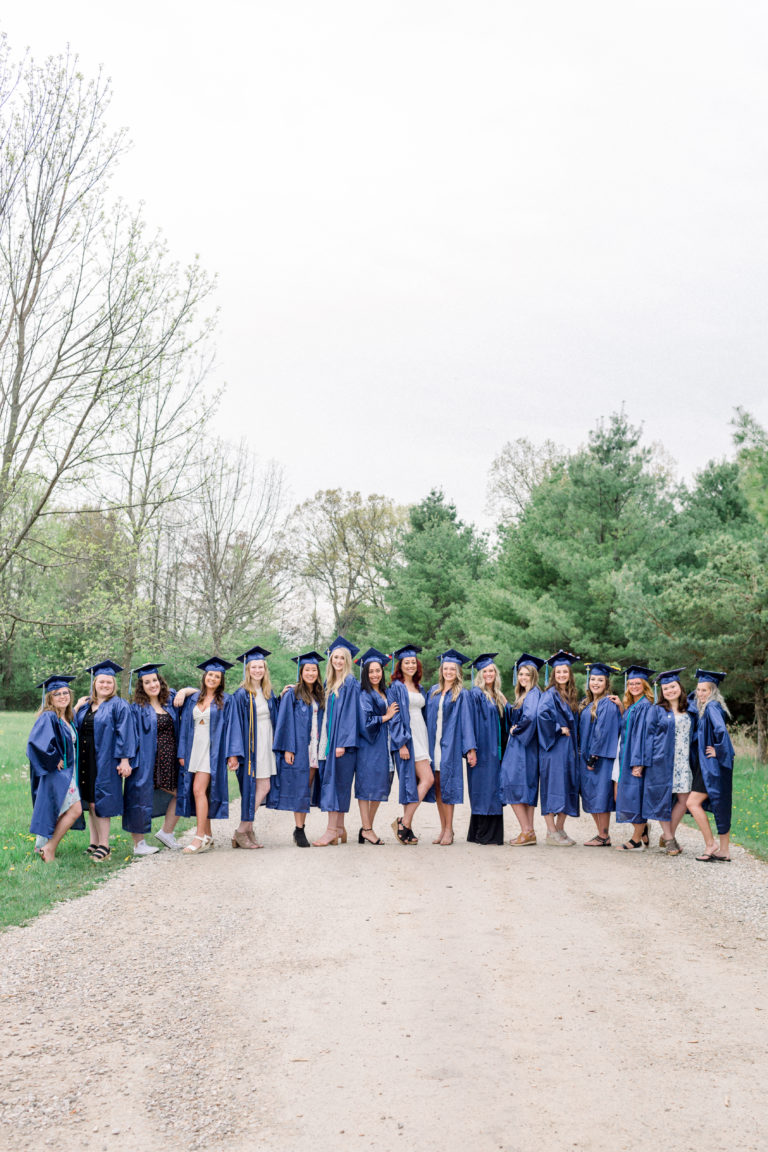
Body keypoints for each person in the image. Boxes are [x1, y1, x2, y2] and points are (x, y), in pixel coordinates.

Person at [73, 660, 136, 863]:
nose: (105, 685)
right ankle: (94, 842)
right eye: (101, 681)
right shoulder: (86, 705)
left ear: (113, 684)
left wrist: (125, 760)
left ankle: (105, 846)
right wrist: (76, 707)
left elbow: (125, 734)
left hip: (106, 758)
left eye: (109, 682)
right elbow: (73, 726)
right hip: (86, 757)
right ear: (95, 683)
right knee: (90, 800)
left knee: (102, 800)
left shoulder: (119, 705)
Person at [176, 657, 233, 855]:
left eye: (217, 676)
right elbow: (184, 727)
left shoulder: (227, 700)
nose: (213, 678)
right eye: (210, 675)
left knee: (198, 790)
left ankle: (198, 837)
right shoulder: (193, 698)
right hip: (193, 750)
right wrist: (182, 751)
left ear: (221, 680)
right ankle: (208, 836)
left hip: (212, 751)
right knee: (202, 793)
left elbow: (231, 728)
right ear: (205, 676)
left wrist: (232, 755)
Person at [270, 651, 325, 846]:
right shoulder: (292, 694)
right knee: (301, 787)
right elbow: (285, 722)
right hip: (301, 747)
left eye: (314, 670)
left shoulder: (320, 693)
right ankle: (299, 829)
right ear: (301, 672)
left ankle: (301, 828)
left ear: (318, 673)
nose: (311, 673)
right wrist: (288, 749)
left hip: (317, 748)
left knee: (307, 786)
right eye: (307, 670)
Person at [226, 646, 279, 850]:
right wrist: (233, 754)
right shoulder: (241, 695)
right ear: (247, 670)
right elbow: (234, 725)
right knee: (253, 789)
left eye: (261, 667)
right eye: (254, 667)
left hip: (266, 743)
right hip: (250, 747)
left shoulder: (267, 692)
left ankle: (246, 830)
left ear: (265, 670)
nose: (257, 670)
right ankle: (241, 831)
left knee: (263, 787)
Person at [27, 675, 83, 862]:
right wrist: (53, 758)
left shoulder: (67, 717)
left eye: (65, 692)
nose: (62, 696)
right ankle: (49, 849)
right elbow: (36, 742)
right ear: (50, 698)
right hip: (58, 772)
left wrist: (78, 707)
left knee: (56, 809)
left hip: (68, 772)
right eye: (57, 694)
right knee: (75, 810)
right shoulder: (49, 716)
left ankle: (41, 847)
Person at [426, 649, 477, 846]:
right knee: (438, 786)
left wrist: (470, 749)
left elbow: (466, 722)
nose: (449, 672)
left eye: (452, 669)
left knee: (448, 787)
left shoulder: (462, 694)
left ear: (457, 672)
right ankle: (444, 828)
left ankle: (449, 830)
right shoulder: (433, 691)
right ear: (441, 670)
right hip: (434, 745)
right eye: (446, 668)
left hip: (451, 746)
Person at [128, 663, 181, 853]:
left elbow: (196, 695)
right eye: (147, 682)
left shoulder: (170, 701)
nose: (152, 685)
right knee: (139, 797)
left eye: (155, 680)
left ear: (160, 681)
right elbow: (129, 736)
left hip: (169, 759)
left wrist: (186, 691)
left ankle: (167, 832)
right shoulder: (136, 709)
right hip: (146, 760)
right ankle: (139, 844)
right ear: (141, 686)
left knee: (182, 793)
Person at [645, 668, 697, 857]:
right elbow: (648, 737)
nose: (669, 691)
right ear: (662, 692)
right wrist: (643, 762)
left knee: (684, 800)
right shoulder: (657, 710)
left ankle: (668, 834)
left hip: (683, 762)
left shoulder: (690, 710)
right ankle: (669, 840)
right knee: (662, 800)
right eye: (666, 688)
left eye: (673, 687)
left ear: (680, 688)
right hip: (661, 762)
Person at [314, 635, 360, 847]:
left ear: (347, 661)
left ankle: (331, 830)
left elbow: (351, 715)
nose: (338, 661)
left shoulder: (350, 682)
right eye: (335, 657)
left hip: (340, 743)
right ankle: (340, 828)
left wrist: (342, 742)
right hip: (327, 738)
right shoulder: (330, 682)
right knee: (336, 782)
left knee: (335, 783)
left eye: (342, 658)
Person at [387, 645, 434, 845]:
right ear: (400, 665)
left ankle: (406, 826)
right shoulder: (396, 687)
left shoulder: (419, 687)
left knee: (414, 785)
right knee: (427, 779)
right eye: (407, 662)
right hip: (408, 738)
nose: (411, 665)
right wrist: (402, 744)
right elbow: (394, 717)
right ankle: (403, 822)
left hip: (421, 735)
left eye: (413, 662)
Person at [688, 669, 735, 862]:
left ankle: (711, 844)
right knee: (721, 804)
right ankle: (724, 850)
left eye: (704, 690)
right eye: (698, 690)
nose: (700, 694)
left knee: (692, 803)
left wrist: (719, 750)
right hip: (710, 765)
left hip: (711, 765)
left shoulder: (712, 707)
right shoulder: (707, 706)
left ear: (713, 691)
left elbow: (721, 732)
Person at [355, 647, 399, 844]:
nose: (375, 674)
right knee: (366, 787)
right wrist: (386, 716)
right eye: (371, 671)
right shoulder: (364, 694)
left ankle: (366, 828)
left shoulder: (386, 691)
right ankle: (368, 828)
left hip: (385, 745)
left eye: (378, 670)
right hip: (369, 746)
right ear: (366, 673)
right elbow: (365, 722)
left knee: (381, 787)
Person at [537, 651, 580, 846]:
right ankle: (551, 831)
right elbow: (542, 716)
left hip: (567, 750)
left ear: (569, 675)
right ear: (553, 674)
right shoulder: (550, 694)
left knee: (568, 785)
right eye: (558, 672)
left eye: (565, 672)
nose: (562, 675)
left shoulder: (570, 695)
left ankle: (560, 828)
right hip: (553, 749)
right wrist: (558, 728)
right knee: (552, 787)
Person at [501, 654, 545, 846]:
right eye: (521, 674)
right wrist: (506, 703)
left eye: (527, 674)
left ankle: (527, 831)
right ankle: (529, 831)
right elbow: (522, 713)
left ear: (534, 676)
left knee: (512, 784)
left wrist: (515, 730)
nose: (523, 677)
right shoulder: (527, 694)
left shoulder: (533, 694)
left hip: (521, 747)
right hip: (524, 747)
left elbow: (530, 717)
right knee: (525, 788)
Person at [466, 653, 510, 845]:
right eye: (485, 671)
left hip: (497, 751)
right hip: (483, 751)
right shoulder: (475, 694)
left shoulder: (498, 695)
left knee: (493, 789)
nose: (489, 674)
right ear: (479, 674)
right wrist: (471, 749)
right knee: (483, 789)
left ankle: (482, 833)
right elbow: (468, 723)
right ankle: (483, 834)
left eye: (491, 671)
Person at [578, 662, 622, 847]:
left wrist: (593, 757)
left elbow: (603, 733)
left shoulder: (608, 704)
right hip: (588, 756)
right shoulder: (588, 703)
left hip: (599, 758)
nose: (595, 683)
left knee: (600, 795)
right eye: (593, 679)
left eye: (600, 680)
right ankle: (601, 834)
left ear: (606, 683)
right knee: (592, 795)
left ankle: (604, 836)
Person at [614, 665, 656, 851]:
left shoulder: (645, 706)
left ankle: (636, 838)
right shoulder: (634, 705)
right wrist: (621, 708)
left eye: (638, 683)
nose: (634, 686)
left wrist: (638, 763)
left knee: (633, 798)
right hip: (627, 757)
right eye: (631, 683)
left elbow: (643, 736)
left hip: (634, 759)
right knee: (625, 796)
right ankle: (643, 831)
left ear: (645, 685)